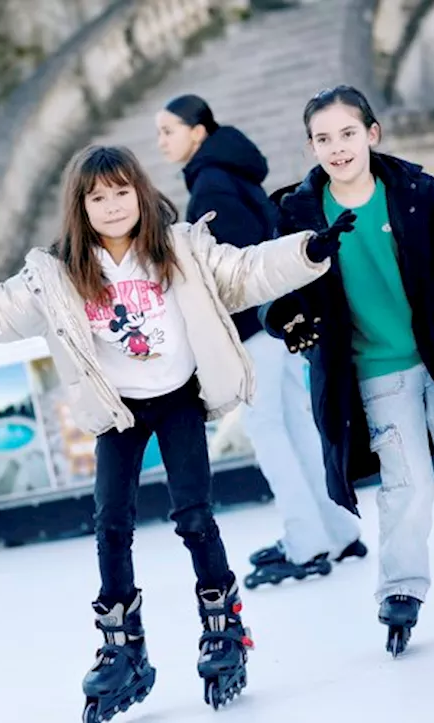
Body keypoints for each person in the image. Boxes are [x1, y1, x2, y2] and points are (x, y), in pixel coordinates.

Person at [0, 145, 345, 719]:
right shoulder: (58, 274)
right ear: (80, 207)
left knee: (194, 517)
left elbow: (244, 272)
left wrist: (306, 252)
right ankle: (122, 645)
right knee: (111, 525)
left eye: (120, 192)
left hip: (179, 397)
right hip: (121, 411)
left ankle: (224, 625)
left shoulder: (180, 248)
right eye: (97, 197)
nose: (111, 206)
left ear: (139, 193)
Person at [259, 85, 434, 659]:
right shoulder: (298, 213)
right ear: (311, 147)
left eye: (347, 133)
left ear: (372, 134)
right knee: (407, 484)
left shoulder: (415, 192)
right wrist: (287, 320)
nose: (337, 148)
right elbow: (276, 279)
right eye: (323, 138)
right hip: (375, 370)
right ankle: (400, 589)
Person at [155, 93, 366, 590]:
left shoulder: (211, 188)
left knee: (271, 433)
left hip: (256, 329)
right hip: (279, 326)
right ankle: (338, 529)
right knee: (296, 428)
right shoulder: (231, 176)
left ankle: (306, 540)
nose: (162, 141)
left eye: (168, 130)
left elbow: (233, 269)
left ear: (198, 132)